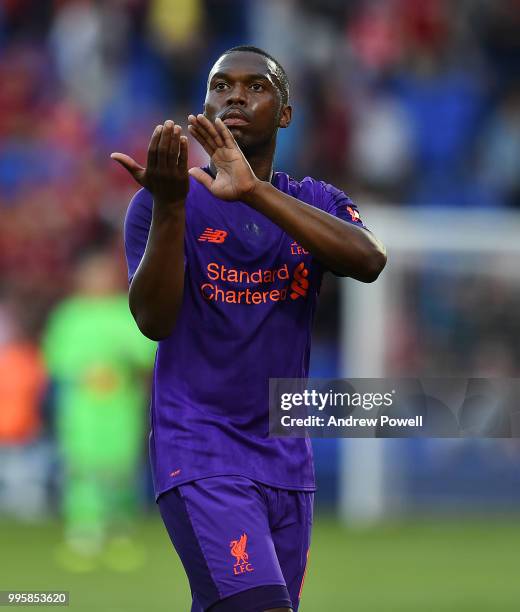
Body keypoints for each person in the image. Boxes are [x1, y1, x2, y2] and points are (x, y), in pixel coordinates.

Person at [112, 45, 386, 612]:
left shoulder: (315, 200)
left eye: (255, 86)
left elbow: (368, 260)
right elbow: (153, 321)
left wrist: (254, 191)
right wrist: (169, 210)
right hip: (200, 447)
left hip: (286, 460)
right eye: (220, 85)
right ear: (205, 105)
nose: (235, 95)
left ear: (285, 112)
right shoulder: (162, 200)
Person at [42, 247, 155, 572]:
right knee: (83, 468)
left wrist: (123, 362)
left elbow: (145, 352)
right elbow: (56, 359)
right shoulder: (69, 315)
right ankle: (84, 533)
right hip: (82, 408)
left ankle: (120, 531)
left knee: (119, 470)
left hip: (120, 405)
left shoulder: (126, 311)